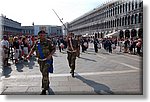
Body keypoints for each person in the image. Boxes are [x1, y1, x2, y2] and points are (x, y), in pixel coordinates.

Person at [26, 30, 56, 95]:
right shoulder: (37, 42)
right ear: (39, 35)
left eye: (43, 35)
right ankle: (47, 83)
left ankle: (44, 89)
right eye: (41, 35)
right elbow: (33, 49)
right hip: (40, 60)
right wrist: (29, 55)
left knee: (45, 72)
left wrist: (50, 55)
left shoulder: (49, 42)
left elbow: (53, 49)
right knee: (43, 73)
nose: (42, 36)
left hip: (47, 60)